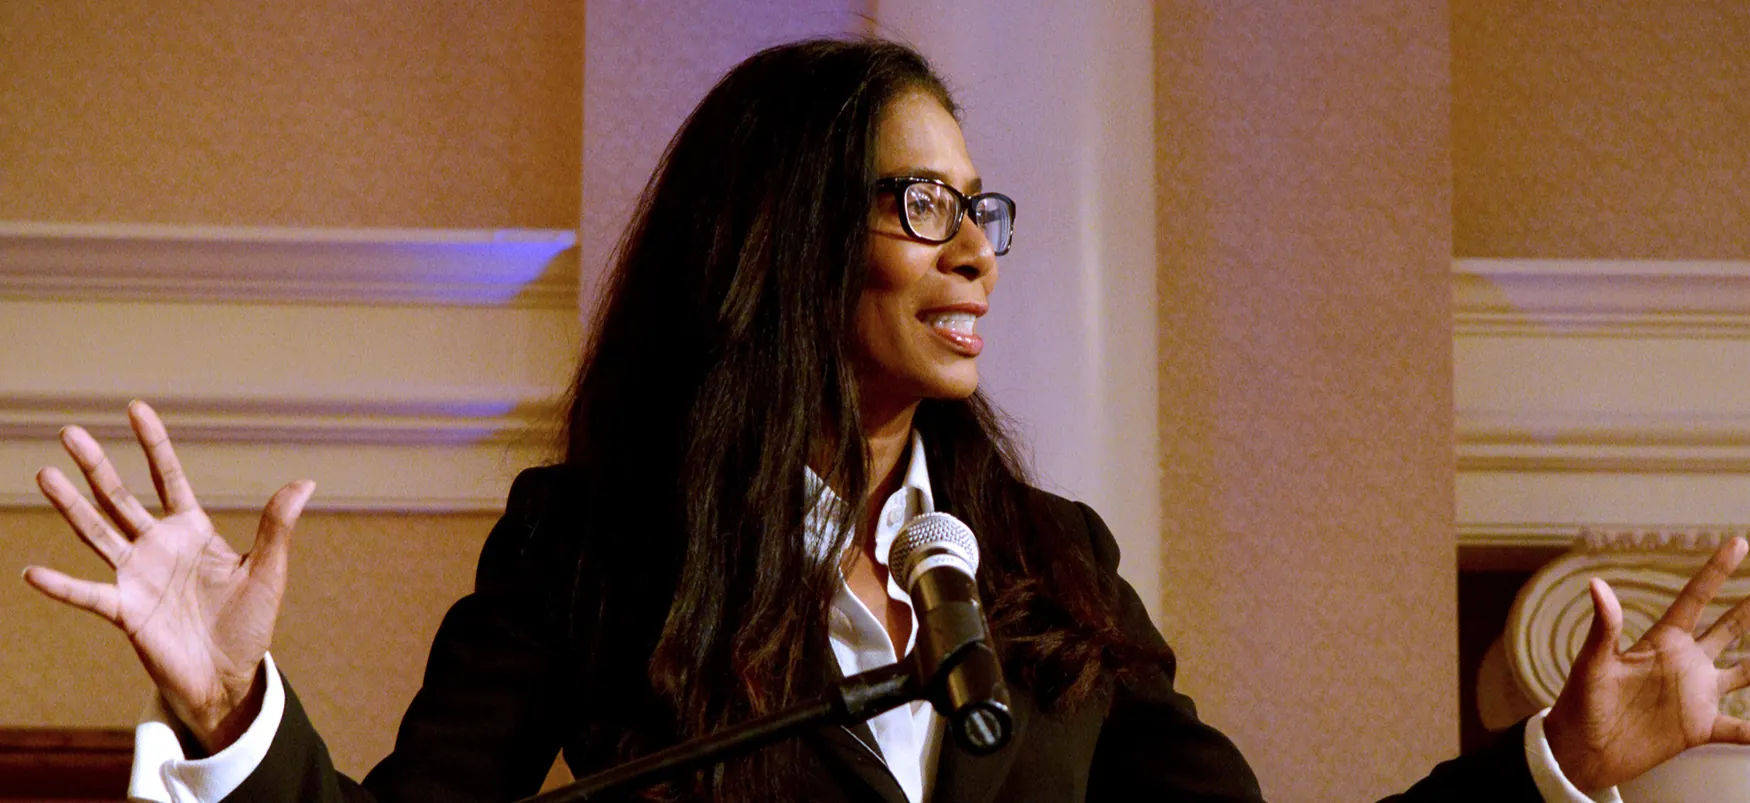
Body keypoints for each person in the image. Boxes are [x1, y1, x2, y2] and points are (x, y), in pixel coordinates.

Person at [19, 38, 1750, 803]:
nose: (970, 254)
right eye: (918, 207)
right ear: (781, 240)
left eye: (978, 211)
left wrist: (1561, 764)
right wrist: (232, 706)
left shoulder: (1047, 571)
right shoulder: (593, 547)